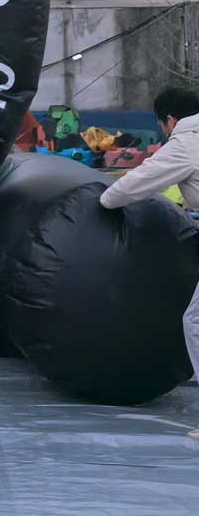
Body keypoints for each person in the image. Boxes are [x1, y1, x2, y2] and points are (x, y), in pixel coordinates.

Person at [99, 85, 199, 430]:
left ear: (170, 119)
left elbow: (133, 185)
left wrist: (101, 199)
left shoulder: (186, 144)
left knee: (196, 321)